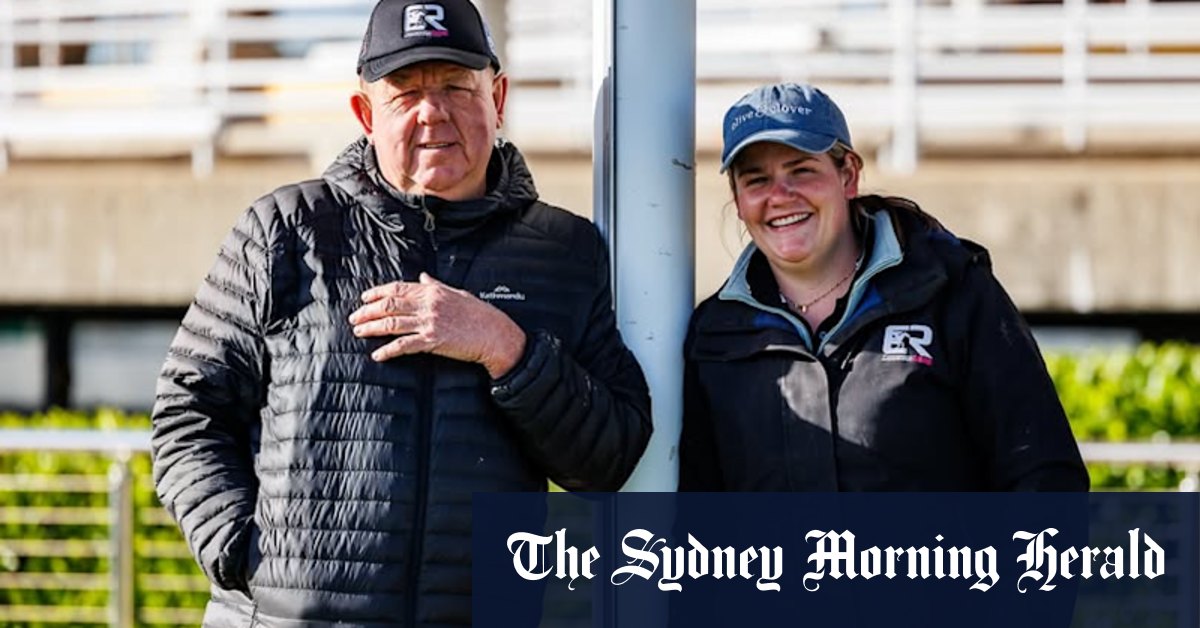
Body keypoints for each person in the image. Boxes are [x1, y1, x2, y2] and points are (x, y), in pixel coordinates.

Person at [150, 1, 652, 625]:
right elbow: (187, 412)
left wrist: (506, 348)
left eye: (455, 86)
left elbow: (609, 457)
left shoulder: (564, 252)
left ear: (497, 98)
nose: (432, 111)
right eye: (405, 92)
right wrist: (242, 555)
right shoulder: (283, 231)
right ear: (366, 114)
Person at [679, 82, 1087, 491]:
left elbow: (1045, 475)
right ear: (737, 199)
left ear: (849, 175)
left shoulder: (952, 291)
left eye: (802, 170)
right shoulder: (714, 335)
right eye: (757, 180)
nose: (780, 196)